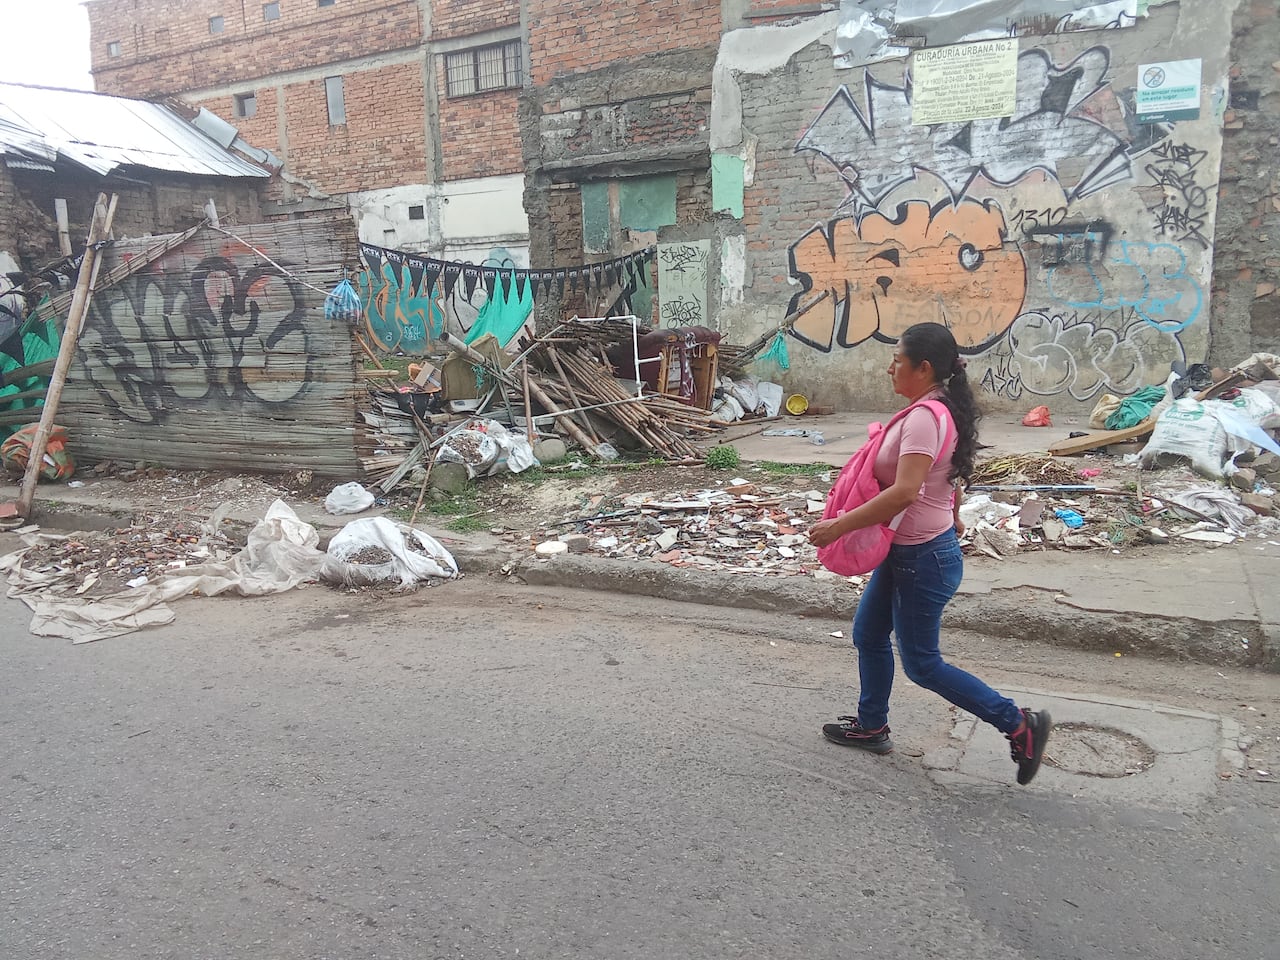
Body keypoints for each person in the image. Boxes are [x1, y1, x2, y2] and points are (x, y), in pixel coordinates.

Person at [806, 322, 1052, 786]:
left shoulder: (923, 417)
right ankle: (872, 725)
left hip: (922, 559)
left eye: (897, 360)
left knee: (922, 664)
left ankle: (1018, 724)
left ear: (923, 368)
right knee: (869, 634)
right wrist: (951, 511)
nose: (889, 368)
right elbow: (947, 475)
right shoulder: (937, 408)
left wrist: (839, 525)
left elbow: (903, 493)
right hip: (912, 552)